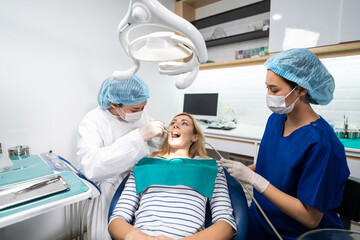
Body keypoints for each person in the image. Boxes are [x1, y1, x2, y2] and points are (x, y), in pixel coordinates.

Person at [221, 48, 350, 240]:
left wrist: (254, 179)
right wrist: (239, 172)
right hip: (261, 219)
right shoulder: (276, 119)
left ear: (301, 88)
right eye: (267, 87)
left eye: (274, 90)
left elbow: (310, 218)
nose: (269, 94)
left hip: (297, 234)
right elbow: (272, 165)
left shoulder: (322, 144)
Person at [108, 113, 237, 240]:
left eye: (184, 123)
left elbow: (225, 223)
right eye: (173, 123)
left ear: (195, 137)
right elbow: (117, 219)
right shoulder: (144, 165)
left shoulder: (210, 168)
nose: (175, 126)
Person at [77, 75, 167, 240]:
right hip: (109, 189)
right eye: (134, 110)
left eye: (143, 107)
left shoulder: (139, 110)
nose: (140, 113)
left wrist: (162, 136)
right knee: (106, 234)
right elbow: (91, 166)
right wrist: (138, 137)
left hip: (138, 183)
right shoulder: (93, 121)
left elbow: (153, 139)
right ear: (113, 103)